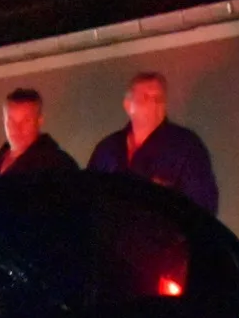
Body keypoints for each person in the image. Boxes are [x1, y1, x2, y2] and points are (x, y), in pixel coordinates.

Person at [87, 71, 218, 213]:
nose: (153, 104)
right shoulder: (107, 149)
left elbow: (202, 207)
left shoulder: (186, 147)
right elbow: (88, 197)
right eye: (145, 98)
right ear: (128, 105)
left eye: (158, 99)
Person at [0, 88, 77, 174]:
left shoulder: (57, 164)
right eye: (11, 121)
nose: (17, 128)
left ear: (39, 121)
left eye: (26, 121)